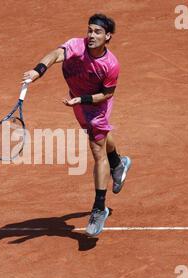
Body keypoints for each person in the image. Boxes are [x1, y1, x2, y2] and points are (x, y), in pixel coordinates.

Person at [22, 13, 132, 237]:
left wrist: (81, 100)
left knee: (96, 147)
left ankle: (100, 208)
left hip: (96, 105)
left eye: (97, 32)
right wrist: (38, 70)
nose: (91, 35)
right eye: (90, 30)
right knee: (99, 138)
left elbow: (107, 94)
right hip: (78, 101)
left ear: (108, 36)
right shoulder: (75, 45)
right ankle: (118, 162)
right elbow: (55, 54)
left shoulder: (110, 65)